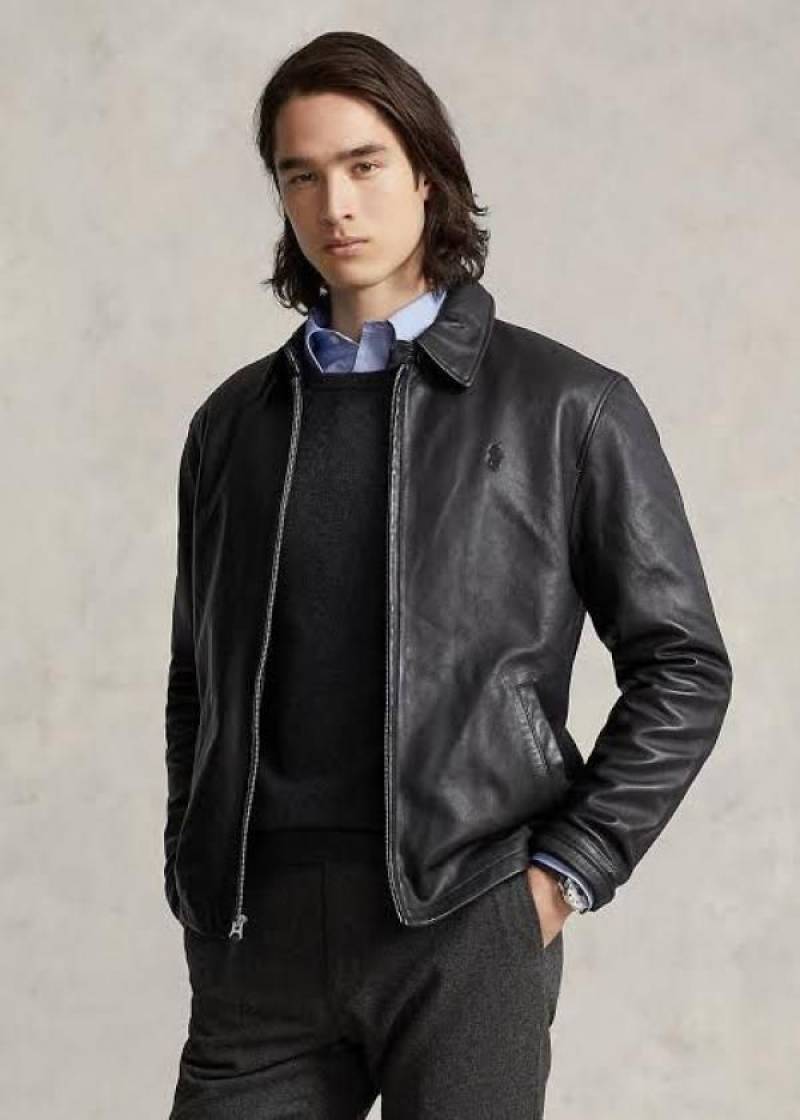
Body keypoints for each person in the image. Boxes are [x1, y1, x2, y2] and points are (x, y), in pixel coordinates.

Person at [163, 30, 733, 1120]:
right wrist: (194, 868)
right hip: (256, 934)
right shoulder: (233, 424)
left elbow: (683, 665)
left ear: (426, 173)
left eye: (363, 164)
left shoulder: (568, 406)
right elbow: (198, 677)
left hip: (468, 914)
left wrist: (565, 871)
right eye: (301, 175)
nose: (335, 204)